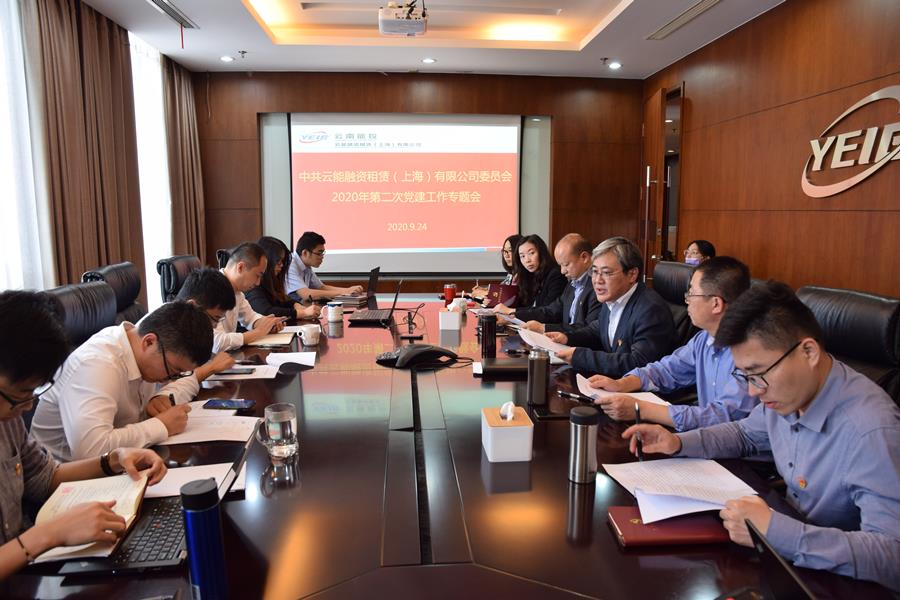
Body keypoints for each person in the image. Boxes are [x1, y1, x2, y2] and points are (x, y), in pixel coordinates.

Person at [621, 281, 900, 590]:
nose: (753, 391)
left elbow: (892, 554)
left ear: (808, 352)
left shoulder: (871, 431)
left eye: (759, 374)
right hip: (789, 559)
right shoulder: (791, 392)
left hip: (840, 582)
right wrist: (678, 442)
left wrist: (776, 531)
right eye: (745, 376)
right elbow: (745, 433)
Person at [0, 291, 167, 580]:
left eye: (33, 393)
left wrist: (113, 460)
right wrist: (47, 534)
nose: (26, 408)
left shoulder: (8, 418)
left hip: (30, 570)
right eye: (21, 395)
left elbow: (45, 478)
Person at [30, 301, 216, 461]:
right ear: (149, 342)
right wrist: (161, 425)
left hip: (120, 467)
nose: (171, 379)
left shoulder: (142, 349)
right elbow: (90, 450)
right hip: (65, 479)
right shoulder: (97, 364)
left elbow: (176, 380)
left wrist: (162, 396)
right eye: (173, 371)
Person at [587, 256, 757, 430]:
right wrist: (622, 384)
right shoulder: (703, 339)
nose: (687, 300)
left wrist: (641, 409)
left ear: (716, 304)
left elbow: (724, 417)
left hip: (733, 442)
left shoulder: (751, 352)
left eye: (691, 293)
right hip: (705, 437)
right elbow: (666, 370)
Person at [547, 236, 676, 378]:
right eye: (594, 271)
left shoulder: (650, 310)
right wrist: (567, 338)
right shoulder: (613, 298)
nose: (597, 280)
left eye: (606, 273)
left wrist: (581, 356)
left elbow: (638, 363)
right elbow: (597, 330)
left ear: (632, 274)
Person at [512, 233, 601, 333]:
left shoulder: (598, 285)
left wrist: (544, 328)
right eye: (560, 265)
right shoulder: (572, 284)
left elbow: (588, 329)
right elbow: (551, 311)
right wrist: (513, 316)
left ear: (584, 257)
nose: (562, 271)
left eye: (566, 264)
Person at [214, 242, 285, 352]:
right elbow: (217, 343)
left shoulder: (238, 292)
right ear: (240, 267)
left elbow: (250, 317)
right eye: (257, 276)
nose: (258, 283)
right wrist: (257, 333)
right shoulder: (211, 289)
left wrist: (265, 324)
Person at [247, 237, 321, 321]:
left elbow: (282, 300)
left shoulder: (271, 281)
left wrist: (295, 304)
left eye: (282, 261)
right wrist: (302, 313)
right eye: (278, 261)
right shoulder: (253, 284)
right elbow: (266, 311)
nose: (282, 265)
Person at [493, 234, 566, 312]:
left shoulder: (555, 275)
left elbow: (548, 310)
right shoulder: (529, 275)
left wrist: (511, 311)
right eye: (522, 256)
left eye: (531, 253)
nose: (527, 260)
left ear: (541, 252)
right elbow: (524, 304)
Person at [285, 231, 363, 301]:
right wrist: (344, 293)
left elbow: (321, 287)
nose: (322, 257)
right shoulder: (290, 264)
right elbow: (305, 294)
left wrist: (348, 290)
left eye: (323, 253)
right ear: (305, 253)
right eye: (319, 253)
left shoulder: (306, 265)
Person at [472, 233, 522, 298]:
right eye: (504, 251)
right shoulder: (511, 274)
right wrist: (486, 290)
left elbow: (509, 296)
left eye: (510, 250)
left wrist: (486, 293)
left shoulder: (523, 275)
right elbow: (502, 289)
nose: (506, 255)